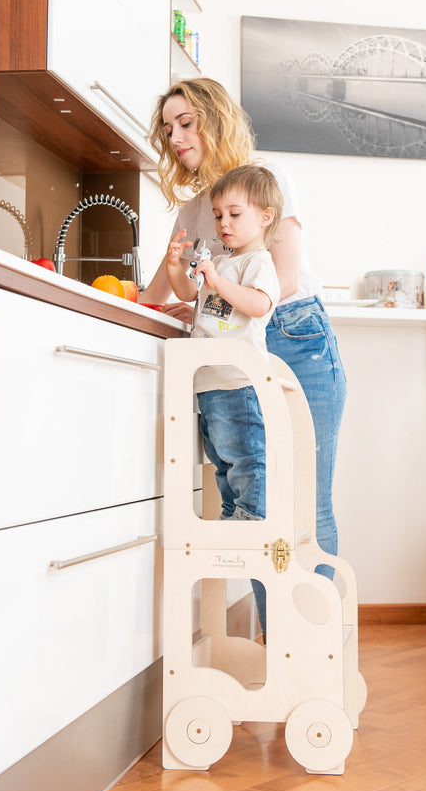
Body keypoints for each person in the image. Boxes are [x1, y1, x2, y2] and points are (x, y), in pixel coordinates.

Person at [142, 77, 347, 584]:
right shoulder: (195, 211)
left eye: (185, 123)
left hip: (294, 336)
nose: (175, 137)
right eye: (168, 129)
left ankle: (316, 634)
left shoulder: (265, 180)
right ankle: (273, 631)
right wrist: (173, 299)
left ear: (215, 121)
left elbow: (284, 279)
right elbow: (159, 290)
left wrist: (212, 298)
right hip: (235, 353)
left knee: (305, 502)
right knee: (258, 505)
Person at [165, 165, 281, 527]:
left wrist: (217, 281)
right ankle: (233, 511)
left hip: (237, 379)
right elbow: (189, 293)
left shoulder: (258, 262)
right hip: (208, 379)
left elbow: (259, 304)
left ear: (264, 217)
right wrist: (174, 265)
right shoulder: (220, 262)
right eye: (218, 216)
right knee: (220, 457)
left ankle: (253, 515)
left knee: (244, 454)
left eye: (234, 214)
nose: (223, 223)